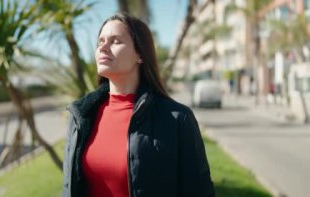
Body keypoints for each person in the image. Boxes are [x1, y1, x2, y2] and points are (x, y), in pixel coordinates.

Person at [63, 13, 214, 197]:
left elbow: (198, 191)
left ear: (140, 54)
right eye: (100, 41)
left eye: (115, 41)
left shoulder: (177, 119)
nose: (103, 47)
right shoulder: (81, 116)